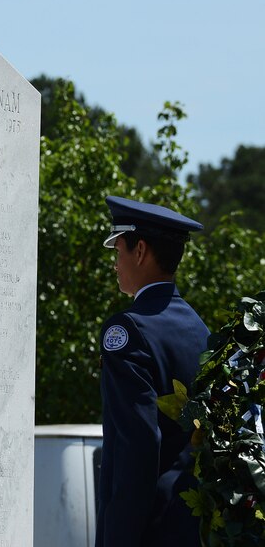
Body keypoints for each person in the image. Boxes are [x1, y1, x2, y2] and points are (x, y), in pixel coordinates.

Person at [95, 196, 209, 547]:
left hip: (148, 532)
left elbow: (138, 448)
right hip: (194, 528)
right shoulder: (199, 329)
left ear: (140, 251)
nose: (116, 264)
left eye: (119, 252)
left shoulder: (127, 331)